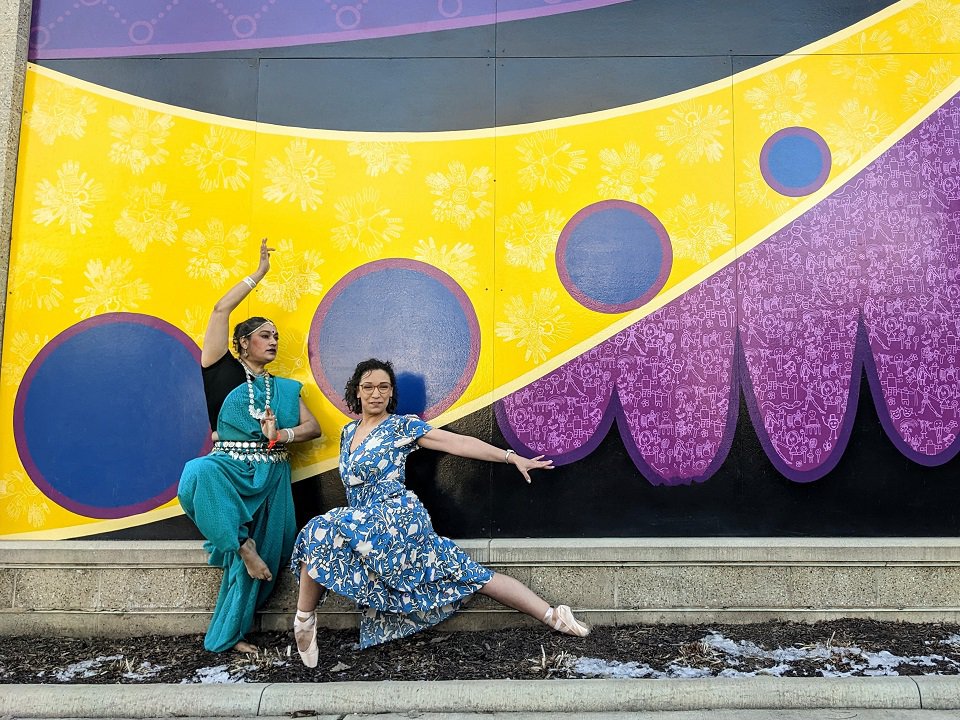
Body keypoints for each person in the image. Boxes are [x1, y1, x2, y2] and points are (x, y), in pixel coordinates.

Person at [289, 358, 588, 668]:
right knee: (469, 574)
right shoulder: (348, 433)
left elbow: (456, 442)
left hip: (397, 519)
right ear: (357, 391)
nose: (376, 393)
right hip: (366, 525)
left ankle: (303, 619)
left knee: (319, 529)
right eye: (368, 387)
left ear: (391, 393)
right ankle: (552, 615)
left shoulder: (400, 426)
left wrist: (510, 457)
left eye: (383, 387)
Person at [178, 239, 321, 653]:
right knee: (195, 473)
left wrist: (284, 435)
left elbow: (312, 428)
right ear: (242, 343)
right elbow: (220, 310)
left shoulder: (287, 388)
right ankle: (241, 544)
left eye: (276, 336)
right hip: (229, 469)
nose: (273, 341)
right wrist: (258, 274)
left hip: (273, 474)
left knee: (269, 559)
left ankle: (232, 634)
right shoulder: (218, 368)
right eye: (264, 335)